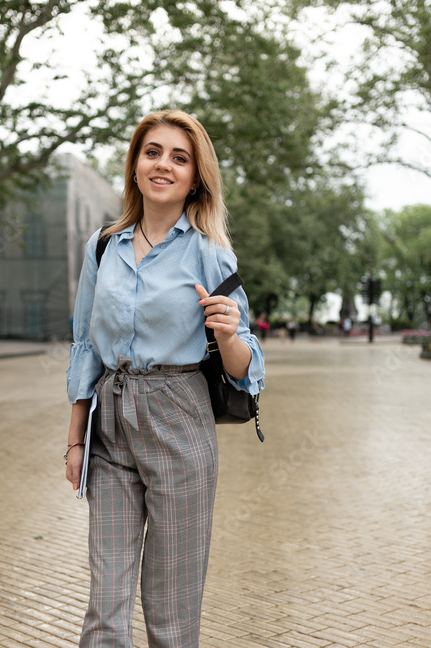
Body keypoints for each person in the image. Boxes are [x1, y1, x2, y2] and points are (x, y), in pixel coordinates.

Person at [65, 109, 265, 647]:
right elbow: (85, 343)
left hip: (180, 418)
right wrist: (74, 439)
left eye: (180, 158)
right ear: (134, 166)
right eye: (152, 152)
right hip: (111, 424)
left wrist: (228, 334)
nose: (163, 165)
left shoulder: (209, 253)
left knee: (170, 611)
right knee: (106, 604)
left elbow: (249, 367)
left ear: (195, 177)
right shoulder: (102, 246)